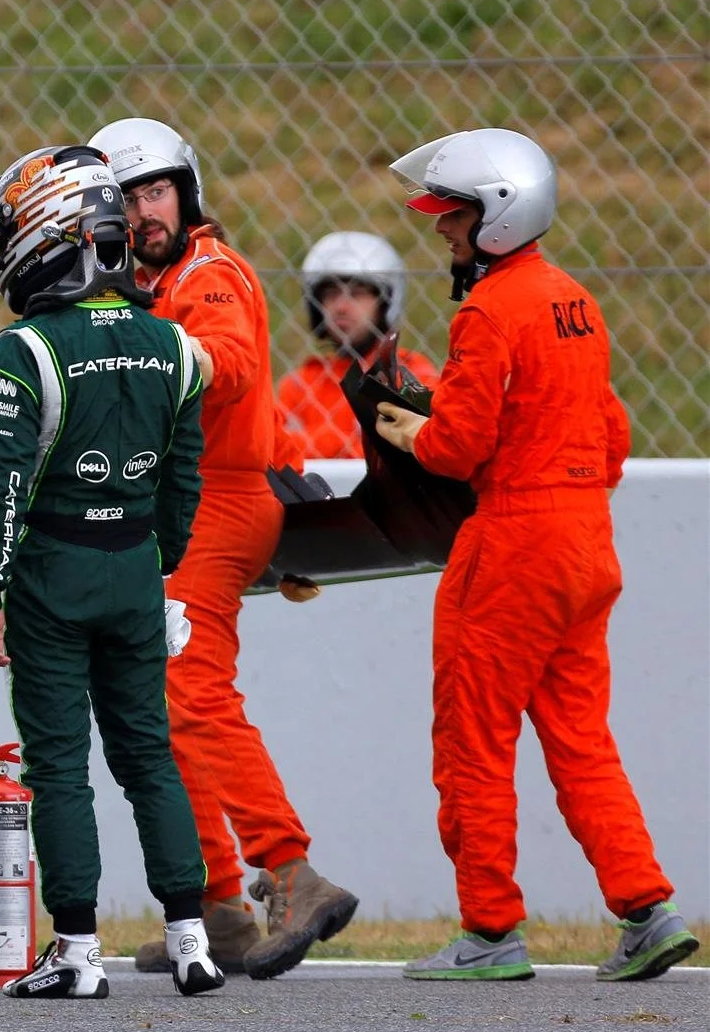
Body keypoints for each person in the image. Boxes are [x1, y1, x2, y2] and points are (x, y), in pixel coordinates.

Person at [376, 128, 698, 982]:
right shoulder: (576, 301)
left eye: (453, 217)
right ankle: (647, 912)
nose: (443, 231)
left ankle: (489, 931)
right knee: (582, 739)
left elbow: (462, 445)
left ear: (497, 218)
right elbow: (614, 434)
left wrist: (420, 432)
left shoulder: (486, 309)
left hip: (513, 544)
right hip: (588, 543)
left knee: (472, 740)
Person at [86, 117, 357, 980]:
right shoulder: (147, 287)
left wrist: (139, 354)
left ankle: (290, 874)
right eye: (126, 200)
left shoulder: (207, 274)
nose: (143, 211)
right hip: (193, 507)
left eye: (155, 191)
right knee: (157, 701)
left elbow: (232, 363)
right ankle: (215, 908)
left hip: (216, 506)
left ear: (185, 193)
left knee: (191, 690)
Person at [0, 143, 223, 1000]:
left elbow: (0, 479)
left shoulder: (27, 347)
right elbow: (185, 482)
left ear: (49, 236)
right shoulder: (176, 345)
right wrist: (159, 564)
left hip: (50, 577)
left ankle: (77, 951)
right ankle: (192, 942)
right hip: (136, 575)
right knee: (150, 755)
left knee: (60, 767)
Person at [277, 232, 439, 460]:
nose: (341, 307)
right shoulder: (300, 383)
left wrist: (313, 440)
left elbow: (423, 449)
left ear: (384, 303)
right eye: (331, 294)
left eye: (357, 294)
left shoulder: (412, 374)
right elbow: (277, 450)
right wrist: (351, 439)